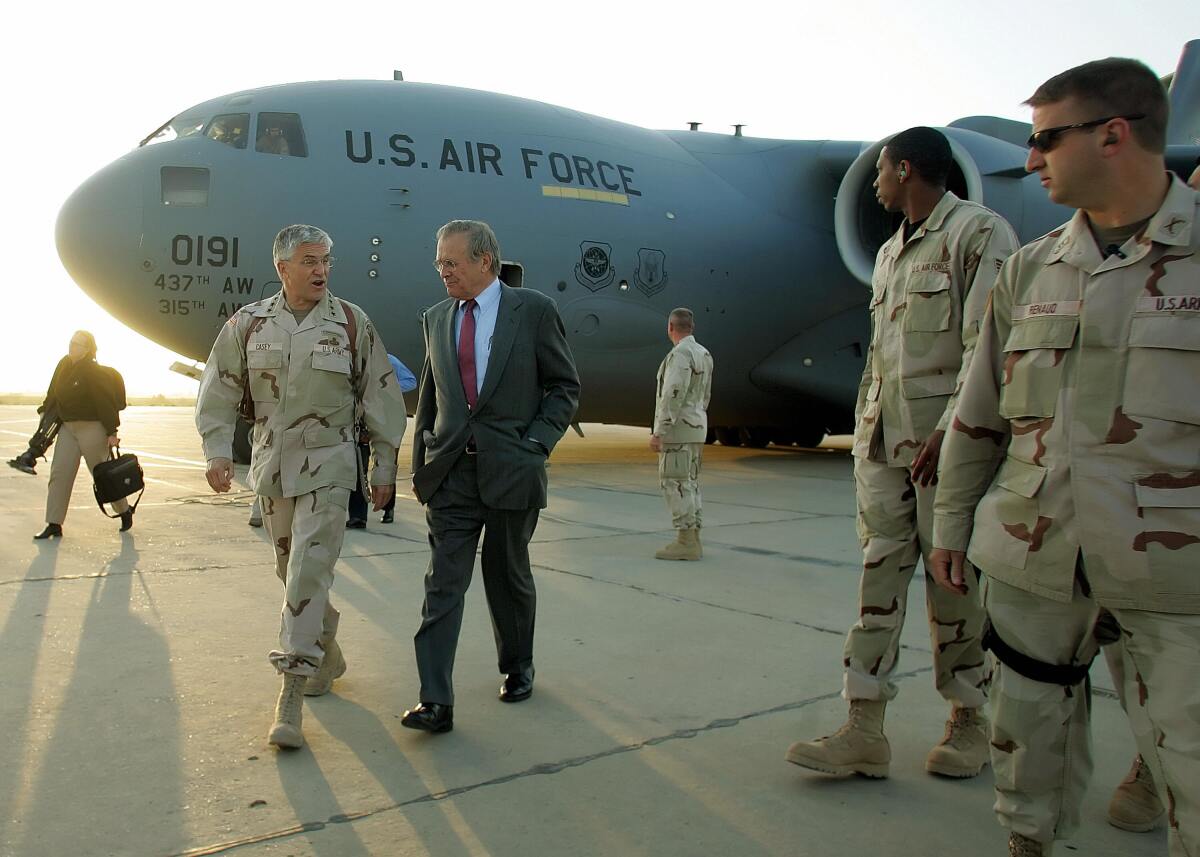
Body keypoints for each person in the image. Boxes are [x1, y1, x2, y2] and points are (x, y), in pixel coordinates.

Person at [929, 58, 1199, 857]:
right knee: (1027, 757)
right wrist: (950, 525)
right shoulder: (1031, 268)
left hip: (1174, 577)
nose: (1032, 157)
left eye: (1047, 138)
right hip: (1035, 560)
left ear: (1114, 134)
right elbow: (977, 414)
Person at [786, 127, 1018, 780]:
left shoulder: (978, 234)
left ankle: (969, 721)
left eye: (883, 170)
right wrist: (866, 436)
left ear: (906, 169)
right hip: (887, 449)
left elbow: (990, 345)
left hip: (947, 451)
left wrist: (957, 431)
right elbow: (881, 358)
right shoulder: (891, 254)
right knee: (878, 579)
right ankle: (864, 726)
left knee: (954, 586)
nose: (877, 182)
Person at [195, 224, 407, 749]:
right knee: (291, 571)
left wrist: (383, 466)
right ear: (282, 268)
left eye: (327, 261)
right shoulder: (248, 325)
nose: (320, 270)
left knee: (309, 567)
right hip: (271, 468)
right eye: (309, 260)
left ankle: (290, 692)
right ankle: (326, 651)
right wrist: (219, 450)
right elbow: (218, 388)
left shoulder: (352, 325)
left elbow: (381, 395)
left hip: (331, 465)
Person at [401, 220, 579, 734]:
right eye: (439, 262)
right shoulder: (436, 318)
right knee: (442, 585)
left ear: (485, 261)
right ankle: (435, 700)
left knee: (508, 578)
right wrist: (422, 467)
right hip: (452, 473)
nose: (443, 271)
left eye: (451, 262)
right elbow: (431, 402)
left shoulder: (534, 311)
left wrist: (536, 444)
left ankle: (517, 665)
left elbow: (564, 387)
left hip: (512, 471)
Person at [31, 331, 133, 539]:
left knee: (103, 476)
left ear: (87, 349)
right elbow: (53, 393)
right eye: (71, 342)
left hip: (92, 428)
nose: (72, 346)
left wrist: (112, 431)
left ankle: (124, 510)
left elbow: (104, 401)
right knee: (60, 473)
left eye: (77, 344)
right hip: (68, 428)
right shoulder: (63, 366)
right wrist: (44, 411)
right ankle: (54, 523)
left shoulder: (93, 372)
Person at [649, 308, 713, 560]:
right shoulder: (703, 354)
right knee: (690, 483)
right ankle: (693, 537)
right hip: (696, 427)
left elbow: (673, 393)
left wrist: (660, 430)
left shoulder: (680, 354)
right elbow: (705, 394)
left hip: (678, 430)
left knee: (674, 483)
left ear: (670, 327)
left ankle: (685, 541)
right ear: (692, 327)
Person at [346, 354, 417, 527]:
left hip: (385, 420)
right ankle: (358, 516)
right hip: (362, 422)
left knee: (386, 465)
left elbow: (411, 381)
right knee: (359, 470)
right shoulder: (351, 360)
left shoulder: (388, 360)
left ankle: (388, 509)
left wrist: (385, 389)